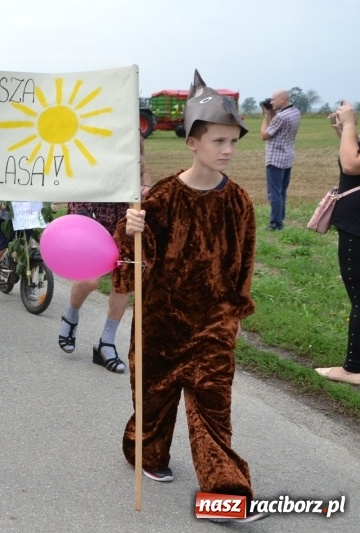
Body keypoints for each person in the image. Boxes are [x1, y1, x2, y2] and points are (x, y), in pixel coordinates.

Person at [112, 71, 266, 524]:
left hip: (213, 326)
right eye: (219, 140)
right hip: (162, 323)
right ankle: (147, 453)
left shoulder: (238, 202)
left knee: (213, 413)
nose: (228, 150)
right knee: (153, 403)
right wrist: (130, 230)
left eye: (233, 142)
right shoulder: (161, 197)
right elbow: (131, 266)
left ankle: (224, 495)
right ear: (192, 143)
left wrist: (234, 314)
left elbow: (244, 263)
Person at [57, 135, 152, 373]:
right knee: (90, 280)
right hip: (89, 209)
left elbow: (142, 169)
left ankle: (106, 343)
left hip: (123, 216)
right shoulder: (93, 127)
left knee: (123, 283)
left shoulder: (129, 128)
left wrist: (146, 187)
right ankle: (71, 316)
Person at [316, 101, 360, 385]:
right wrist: (345, 130)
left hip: (357, 226)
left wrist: (351, 123)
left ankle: (353, 369)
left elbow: (351, 164)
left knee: (359, 296)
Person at [261, 89, 301, 230]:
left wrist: (266, 115)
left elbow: (265, 135)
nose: (271, 102)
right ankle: (280, 218)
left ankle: (275, 223)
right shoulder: (295, 112)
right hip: (288, 156)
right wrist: (272, 112)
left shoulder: (281, 117)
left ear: (282, 99)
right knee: (282, 191)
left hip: (276, 159)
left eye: (273, 99)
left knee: (274, 193)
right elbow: (277, 127)